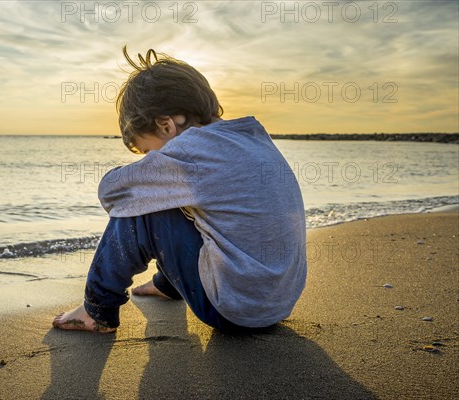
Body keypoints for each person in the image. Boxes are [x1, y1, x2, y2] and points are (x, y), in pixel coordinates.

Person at [53, 47, 307, 333]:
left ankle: (96, 310)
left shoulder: (192, 152)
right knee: (181, 202)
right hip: (277, 301)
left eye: (148, 151)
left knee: (141, 208)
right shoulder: (252, 135)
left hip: (236, 310)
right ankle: (168, 286)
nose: (151, 158)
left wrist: (148, 173)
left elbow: (112, 193)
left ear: (166, 125)